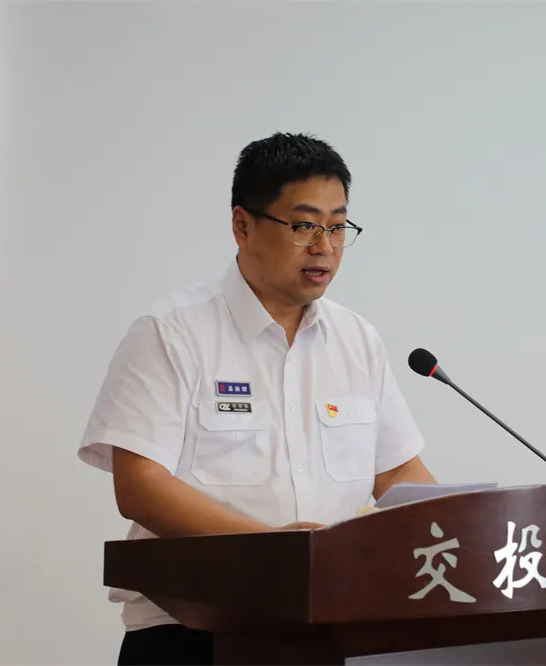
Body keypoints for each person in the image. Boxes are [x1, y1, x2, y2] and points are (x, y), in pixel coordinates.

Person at [77, 132, 437, 665]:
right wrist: (277, 551)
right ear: (242, 225)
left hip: (333, 632)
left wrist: (464, 536)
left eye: (338, 227)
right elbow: (141, 486)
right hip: (194, 637)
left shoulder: (357, 340)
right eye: (304, 226)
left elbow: (398, 473)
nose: (324, 246)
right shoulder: (171, 333)